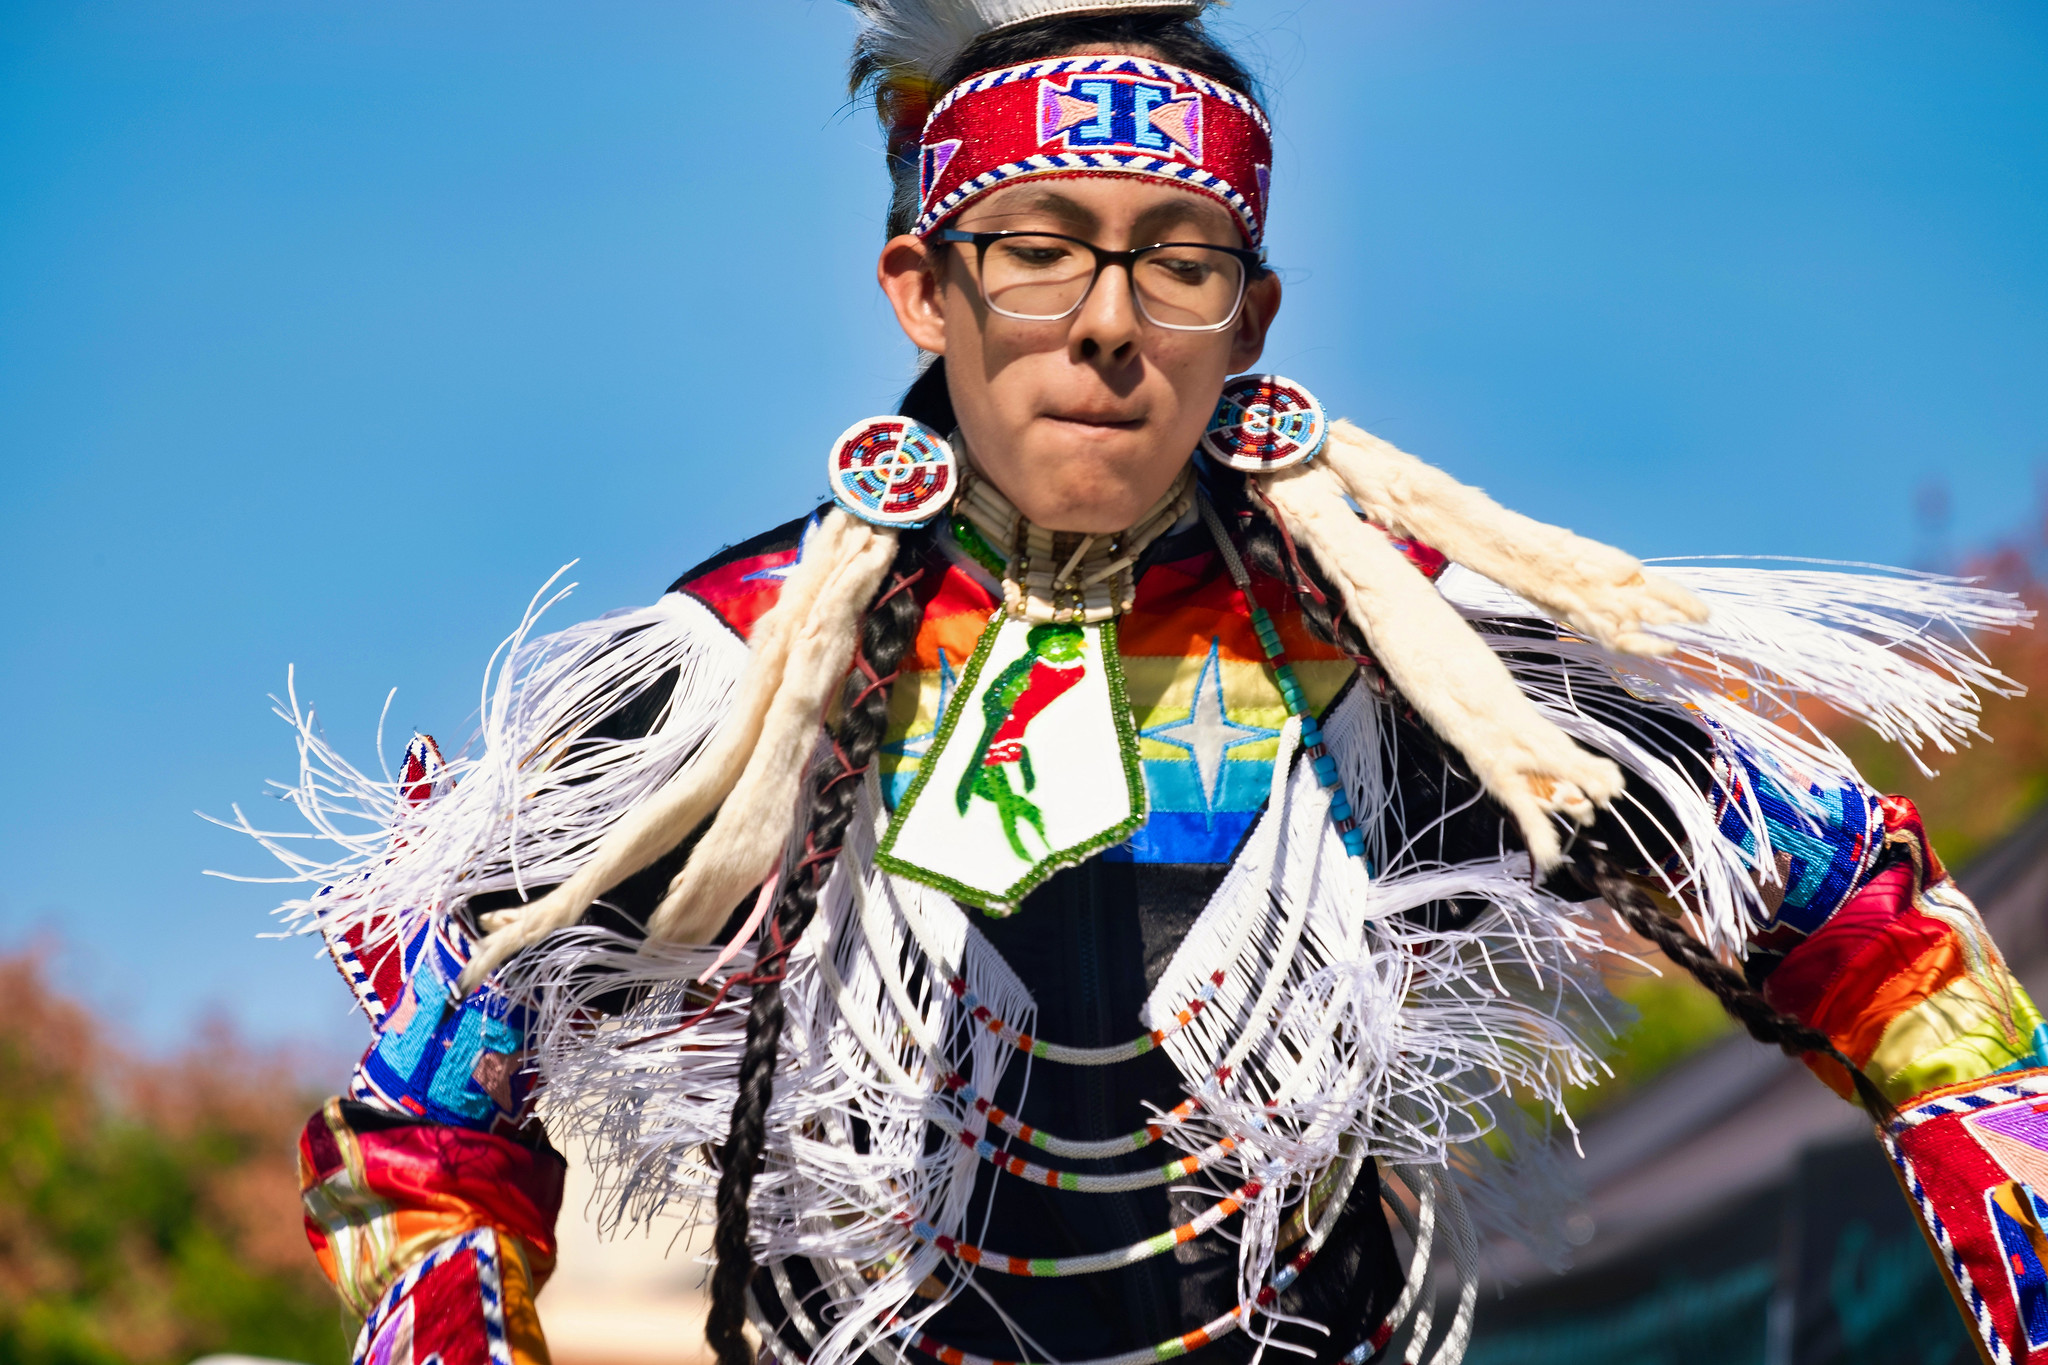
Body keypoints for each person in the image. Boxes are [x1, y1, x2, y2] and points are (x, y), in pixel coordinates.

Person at [252, 4, 2047, 1364]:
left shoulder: (1404, 652)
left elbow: (1855, 924)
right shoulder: (741, 670)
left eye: (1178, 262)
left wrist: (2007, 1207)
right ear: (921, 289)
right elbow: (421, 1139)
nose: (1108, 321)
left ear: (1250, 320)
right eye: (1037, 249)